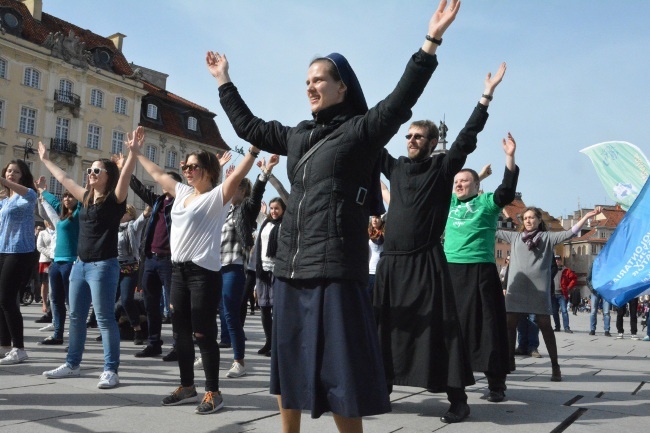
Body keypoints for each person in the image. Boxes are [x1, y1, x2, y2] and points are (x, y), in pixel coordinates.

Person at [208, 1, 462, 430]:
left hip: (334, 268)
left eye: (320, 79)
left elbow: (400, 102)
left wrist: (430, 42)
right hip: (290, 266)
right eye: (307, 80)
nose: (310, 86)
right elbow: (249, 128)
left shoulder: (360, 131)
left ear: (342, 88)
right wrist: (224, 81)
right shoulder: (296, 135)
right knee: (287, 369)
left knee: (341, 377)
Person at [375, 61, 505, 423]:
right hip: (392, 263)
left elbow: (466, 138)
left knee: (441, 330)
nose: (412, 140)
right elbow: (369, 136)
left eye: (419, 136)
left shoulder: (442, 168)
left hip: (425, 262)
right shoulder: (396, 167)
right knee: (387, 328)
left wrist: (485, 97)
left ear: (432, 142)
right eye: (409, 136)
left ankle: (458, 400)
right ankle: (382, 388)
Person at [127, 128, 257, 414]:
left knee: (202, 333)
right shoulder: (183, 191)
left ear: (207, 171)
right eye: (185, 166)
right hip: (178, 272)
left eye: (192, 166)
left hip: (203, 275)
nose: (186, 170)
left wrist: (254, 150)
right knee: (181, 334)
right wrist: (136, 153)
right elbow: (159, 174)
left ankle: (214, 392)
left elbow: (236, 177)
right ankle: (187, 386)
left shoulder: (216, 198)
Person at [39, 130, 137, 389]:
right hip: (80, 265)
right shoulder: (84, 198)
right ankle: (72, 364)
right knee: (76, 316)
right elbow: (63, 177)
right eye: (90, 170)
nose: (91, 174)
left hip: (103, 265)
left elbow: (125, 175)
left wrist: (133, 153)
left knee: (104, 318)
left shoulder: (115, 200)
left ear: (107, 177)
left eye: (96, 171)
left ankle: (110, 370)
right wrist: (46, 159)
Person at [444, 132, 519, 403]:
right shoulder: (449, 203)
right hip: (451, 272)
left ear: (477, 186)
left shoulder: (485, 204)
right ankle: (454, 384)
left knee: (488, 328)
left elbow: (506, 192)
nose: (459, 185)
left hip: (480, 272)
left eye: (465, 181)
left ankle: (496, 384)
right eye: (456, 182)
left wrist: (509, 158)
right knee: (452, 330)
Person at [497, 206, 602, 382]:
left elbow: (571, 232)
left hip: (539, 290)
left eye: (532, 218)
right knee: (510, 324)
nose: (528, 221)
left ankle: (555, 365)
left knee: (545, 325)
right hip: (517, 290)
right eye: (526, 218)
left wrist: (587, 217)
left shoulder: (547, 238)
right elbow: (492, 228)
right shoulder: (514, 237)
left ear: (539, 220)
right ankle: (509, 360)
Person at [128, 170, 184, 360]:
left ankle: (178, 346)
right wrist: (125, 171)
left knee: (174, 306)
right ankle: (153, 344)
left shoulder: (181, 204)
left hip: (169, 261)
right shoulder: (159, 201)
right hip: (150, 259)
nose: (162, 183)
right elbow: (141, 190)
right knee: (150, 305)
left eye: (166, 180)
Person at [35, 179, 81, 346]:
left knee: (72, 303)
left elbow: (84, 199)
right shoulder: (61, 218)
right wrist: (42, 191)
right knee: (56, 300)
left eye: (71, 196)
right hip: (56, 263)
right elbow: (54, 202)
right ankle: (58, 335)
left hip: (71, 263)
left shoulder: (78, 215)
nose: (67, 199)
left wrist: (85, 190)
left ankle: (75, 339)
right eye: (65, 196)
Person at [0, 159, 37, 365]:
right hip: (2, 251)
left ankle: (19, 348)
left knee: (7, 299)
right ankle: (4, 345)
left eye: (15, 172)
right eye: (8, 171)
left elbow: (31, 194)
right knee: (1, 300)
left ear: (22, 176)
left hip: (19, 252)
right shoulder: (4, 201)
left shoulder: (27, 197)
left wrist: (5, 182)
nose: (11, 174)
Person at [116, 204, 149, 344]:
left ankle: (137, 330)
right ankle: (110, 330)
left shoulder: (133, 227)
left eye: (124, 212)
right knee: (109, 300)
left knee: (126, 300)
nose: (121, 214)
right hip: (113, 267)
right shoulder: (112, 228)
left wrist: (148, 209)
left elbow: (143, 219)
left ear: (131, 215)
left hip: (129, 267)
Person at [36, 220, 54, 323]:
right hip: (45, 260)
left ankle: (51, 305)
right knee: (45, 283)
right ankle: (44, 303)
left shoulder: (57, 231)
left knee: (53, 283)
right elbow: (39, 247)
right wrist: (50, 254)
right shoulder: (43, 233)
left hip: (55, 260)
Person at [587, 266, 612, 336]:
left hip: (605, 291)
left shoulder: (608, 264)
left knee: (606, 312)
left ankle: (607, 330)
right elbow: (588, 278)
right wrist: (591, 288)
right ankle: (592, 329)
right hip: (595, 291)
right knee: (593, 311)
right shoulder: (594, 264)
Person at [367, 215, 385, 301]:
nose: (374, 220)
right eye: (373, 217)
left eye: (377, 218)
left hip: (382, 270)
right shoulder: (368, 233)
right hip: (370, 271)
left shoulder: (386, 233)